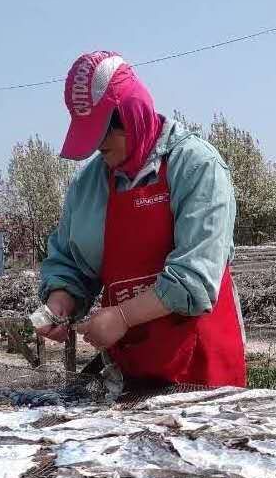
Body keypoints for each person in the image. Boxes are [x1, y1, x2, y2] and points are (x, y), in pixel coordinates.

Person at [37, 51, 246, 388]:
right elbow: (71, 262)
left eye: (103, 132)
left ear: (131, 115)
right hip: (133, 366)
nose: (97, 146)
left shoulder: (196, 166)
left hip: (202, 365)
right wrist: (58, 302)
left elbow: (196, 277)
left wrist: (122, 316)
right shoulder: (89, 183)